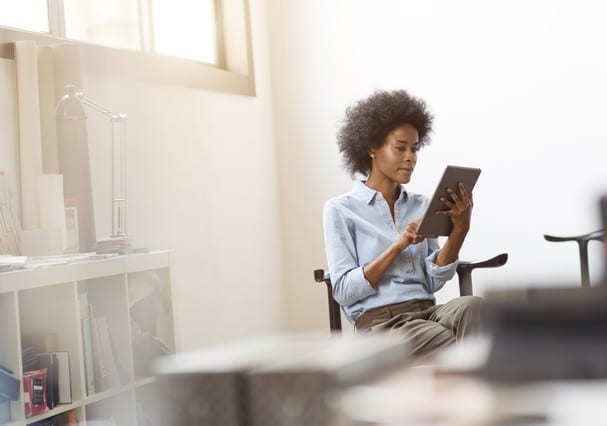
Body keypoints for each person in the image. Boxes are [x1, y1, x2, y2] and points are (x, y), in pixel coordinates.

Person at [323, 89, 482, 356]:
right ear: (372, 148)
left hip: (428, 312)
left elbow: (433, 281)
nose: (411, 157)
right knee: (461, 344)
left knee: (474, 308)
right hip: (381, 324)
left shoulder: (421, 204)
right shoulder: (340, 210)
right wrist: (398, 246)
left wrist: (460, 230)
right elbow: (343, 291)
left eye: (415, 149)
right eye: (400, 147)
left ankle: (474, 373)